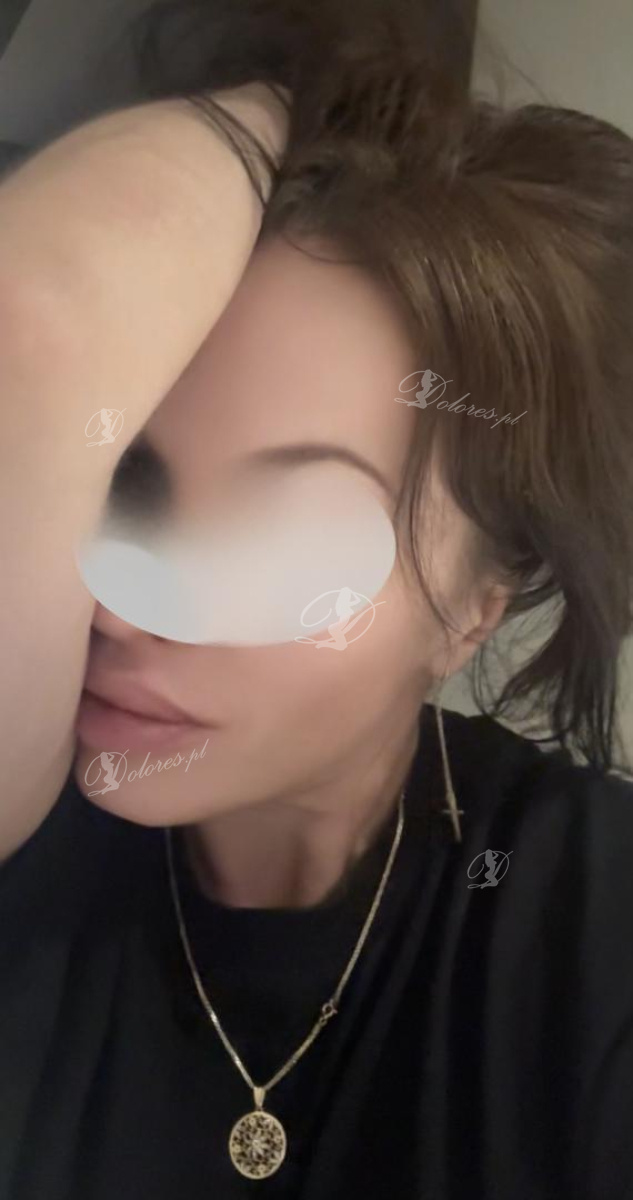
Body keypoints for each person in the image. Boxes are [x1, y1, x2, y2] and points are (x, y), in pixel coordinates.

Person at [1, 1, 632, 1197]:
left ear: (477, 606)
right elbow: (33, 327)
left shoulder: (583, 926)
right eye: (125, 484)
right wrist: (307, 110)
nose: (119, 610)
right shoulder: (32, 825)